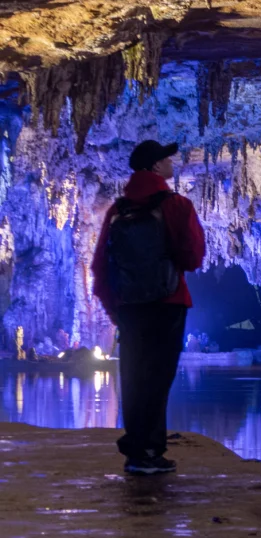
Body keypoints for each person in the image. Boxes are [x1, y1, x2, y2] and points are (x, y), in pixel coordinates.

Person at [91, 140, 205, 474]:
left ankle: (135, 448)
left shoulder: (117, 211)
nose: (172, 161)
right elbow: (192, 257)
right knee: (158, 376)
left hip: (129, 306)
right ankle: (150, 452)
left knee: (134, 375)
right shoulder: (176, 205)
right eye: (166, 158)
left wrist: (113, 307)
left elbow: (100, 265)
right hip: (167, 302)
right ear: (156, 167)